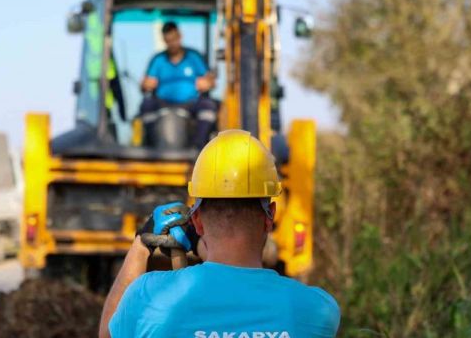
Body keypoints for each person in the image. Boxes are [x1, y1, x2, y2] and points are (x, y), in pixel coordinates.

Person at [99, 130, 341, 338]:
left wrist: (141, 245)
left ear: (197, 220)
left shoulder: (149, 297)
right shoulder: (315, 310)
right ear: (270, 216)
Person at [140, 21, 217, 149]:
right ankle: (152, 146)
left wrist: (207, 83)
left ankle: (199, 147)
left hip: (191, 103)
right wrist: (145, 85)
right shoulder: (158, 60)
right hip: (162, 102)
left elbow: (211, 81)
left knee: (208, 106)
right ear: (164, 40)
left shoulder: (194, 57)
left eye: (174, 39)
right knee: (146, 105)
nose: (172, 44)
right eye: (168, 40)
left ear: (180, 36)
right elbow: (144, 84)